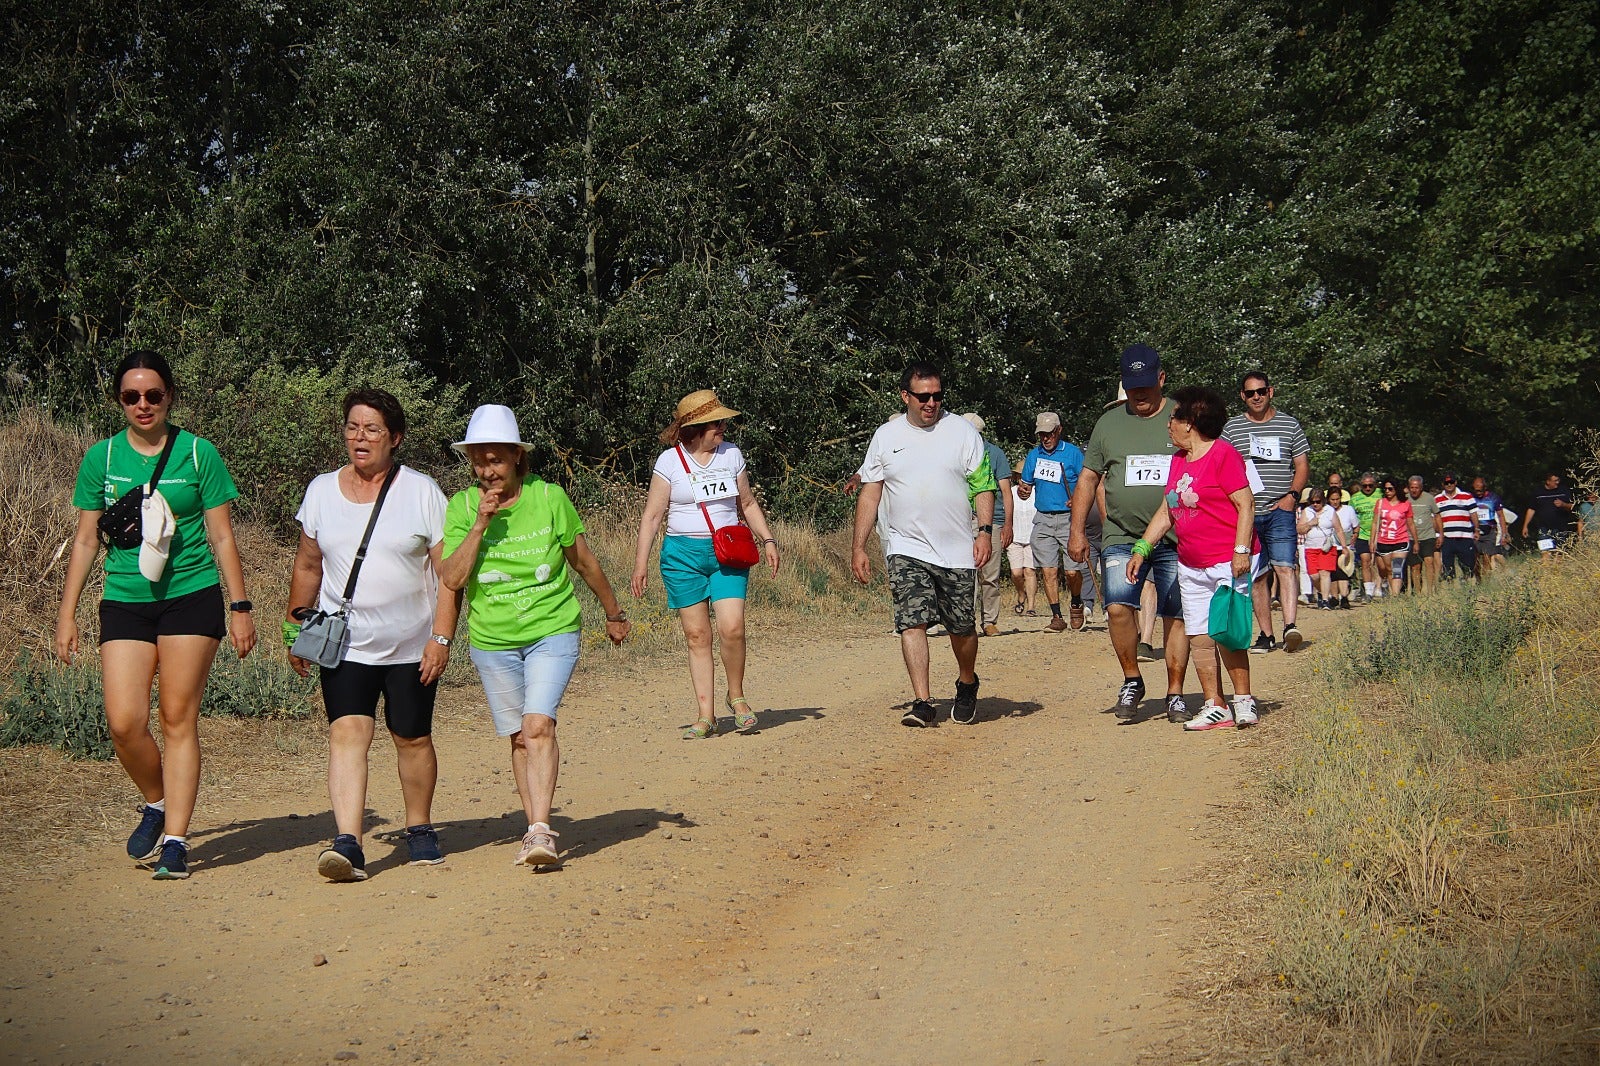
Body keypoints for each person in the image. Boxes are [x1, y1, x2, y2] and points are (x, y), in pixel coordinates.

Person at [55, 350, 256, 880]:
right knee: (124, 722)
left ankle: (176, 840)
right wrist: (66, 614)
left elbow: (221, 535)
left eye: (153, 395)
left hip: (191, 594)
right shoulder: (101, 458)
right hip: (125, 598)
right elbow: (84, 541)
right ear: (119, 401)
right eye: (131, 396)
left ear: (169, 396)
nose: (143, 405)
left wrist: (240, 607)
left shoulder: (197, 453)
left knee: (176, 717)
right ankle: (157, 800)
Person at [440, 404, 631, 866]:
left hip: (553, 627)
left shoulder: (548, 499)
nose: (488, 470)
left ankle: (542, 829)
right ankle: (533, 830)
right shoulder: (462, 507)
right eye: (479, 460)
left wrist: (613, 611)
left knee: (537, 724)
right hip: (492, 639)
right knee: (519, 739)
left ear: (516, 459)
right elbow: (451, 577)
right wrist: (481, 524)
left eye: (497, 459)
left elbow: (583, 561)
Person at [286, 389, 460, 882]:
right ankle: (348, 842)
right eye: (352, 427)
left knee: (411, 736)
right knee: (347, 731)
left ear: (395, 438)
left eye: (372, 429)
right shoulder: (320, 491)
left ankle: (420, 828)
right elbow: (308, 563)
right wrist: (294, 623)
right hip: (346, 643)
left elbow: (447, 575)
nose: (359, 437)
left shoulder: (422, 492)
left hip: (412, 645)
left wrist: (441, 638)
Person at [851, 362, 996, 727]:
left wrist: (984, 531)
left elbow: (983, 485)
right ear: (906, 396)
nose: (931, 403)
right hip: (906, 547)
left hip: (957, 549)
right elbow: (870, 493)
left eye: (937, 396)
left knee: (961, 627)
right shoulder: (886, 436)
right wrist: (859, 546)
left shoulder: (962, 433)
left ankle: (966, 682)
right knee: (911, 621)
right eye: (923, 396)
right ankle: (923, 701)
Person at [631, 389, 780, 738]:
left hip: (727, 553)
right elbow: (652, 516)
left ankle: (737, 696)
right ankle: (705, 715)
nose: (723, 428)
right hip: (682, 556)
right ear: (696, 428)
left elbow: (748, 503)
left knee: (732, 628)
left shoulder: (731, 456)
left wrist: (768, 539)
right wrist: (641, 565)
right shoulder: (669, 462)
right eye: (717, 423)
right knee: (697, 635)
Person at [1069, 344, 1191, 723]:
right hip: (1120, 533)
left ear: (1161, 379)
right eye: (1131, 386)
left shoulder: (1180, 417)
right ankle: (1132, 679)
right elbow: (1088, 479)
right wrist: (1077, 532)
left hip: (1176, 535)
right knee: (1118, 607)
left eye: (1146, 386)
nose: (1139, 394)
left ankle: (1174, 691)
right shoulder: (1108, 424)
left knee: (1177, 613)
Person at [1125, 387, 1259, 730]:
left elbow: (1246, 504)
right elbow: (1169, 508)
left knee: (1227, 629)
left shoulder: (1222, 454)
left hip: (1228, 560)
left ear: (1192, 423)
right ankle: (1215, 704)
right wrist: (1143, 547)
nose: (1168, 423)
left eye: (1174, 417)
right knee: (1199, 633)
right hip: (1191, 562)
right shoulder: (1179, 461)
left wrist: (1241, 550)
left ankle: (1243, 700)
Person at [1222, 370, 1309, 655]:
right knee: (1257, 575)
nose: (1256, 397)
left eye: (1261, 391)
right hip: (1246, 513)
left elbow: (1301, 465)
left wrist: (1292, 497)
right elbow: (1222, 464)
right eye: (1250, 393)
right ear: (1242, 396)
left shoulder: (1289, 424)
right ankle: (1265, 635)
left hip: (1279, 509)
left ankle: (1290, 627)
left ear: (1270, 391)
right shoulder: (1232, 429)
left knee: (1285, 566)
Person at [1017, 411, 1088, 632]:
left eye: (1049, 434)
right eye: (1041, 435)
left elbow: (1088, 484)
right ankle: (1057, 616)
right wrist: (1023, 492)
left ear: (1059, 431)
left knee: (1072, 571)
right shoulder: (1034, 455)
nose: (1045, 439)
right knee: (1049, 571)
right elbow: (1025, 487)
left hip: (1069, 519)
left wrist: (1076, 499)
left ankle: (1076, 601)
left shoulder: (1073, 454)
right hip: (1044, 519)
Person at [961, 413, 1015, 636]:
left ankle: (989, 620)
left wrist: (1008, 524)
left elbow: (1005, 491)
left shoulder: (995, 454)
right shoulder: (954, 452)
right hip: (962, 520)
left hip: (992, 521)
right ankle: (966, 621)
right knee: (965, 574)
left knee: (989, 574)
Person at [1298, 490, 1345, 608]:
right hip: (1310, 547)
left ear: (1323, 501)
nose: (1315, 504)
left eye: (1318, 502)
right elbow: (1299, 529)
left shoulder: (1330, 511)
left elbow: (1338, 529)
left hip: (1327, 548)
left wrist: (1344, 546)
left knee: (1325, 573)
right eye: (1312, 502)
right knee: (1314, 576)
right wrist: (1310, 523)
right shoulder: (1306, 512)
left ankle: (1325, 600)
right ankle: (1321, 592)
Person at [1371, 476, 1418, 596]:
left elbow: (1410, 523)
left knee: (1397, 569)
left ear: (1396, 489)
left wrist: (1416, 541)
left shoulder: (1405, 504)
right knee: (1388, 570)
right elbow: (1375, 523)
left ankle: (1395, 596)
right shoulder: (1380, 503)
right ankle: (1390, 591)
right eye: (1385, 489)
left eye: (1390, 489)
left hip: (1401, 541)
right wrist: (1372, 542)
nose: (1387, 491)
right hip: (1384, 541)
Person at [1006, 460, 1039, 616]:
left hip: (1033, 538)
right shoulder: (1010, 493)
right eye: (1021, 476)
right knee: (1016, 573)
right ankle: (1021, 594)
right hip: (1014, 538)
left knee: (1030, 571)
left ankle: (1031, 606)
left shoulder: (1038, 492)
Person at [1521, 473, 1575, 559]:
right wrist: (1525, 526)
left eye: (1558, 480)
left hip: (1560, 527)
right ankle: (1546, 570)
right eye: (1555, 481)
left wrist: (1563, 504)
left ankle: (1557, 571)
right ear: (1548, 481)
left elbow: (1572, 506)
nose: (1557, 483)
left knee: (1559, 553)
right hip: (1543, 528)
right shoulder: (1538, 493)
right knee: (1545, 552)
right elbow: (1531, 509)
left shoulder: (1563, 491)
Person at [1436, 473, 1479, 580]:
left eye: (1451, 482)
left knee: (1468, 567)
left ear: (1455, 482)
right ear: (1443, 484)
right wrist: (1438, 535)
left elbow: (1474, 514)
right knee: (1448, 569)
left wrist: (1477, 530)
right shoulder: (1437, 499)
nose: (1449, 485)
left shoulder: (1467, 496)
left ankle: (1467, 588)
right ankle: (1450, 591)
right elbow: (1435, 519)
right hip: (1447, 539)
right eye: (1446, 483)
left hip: (1464, 537)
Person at [1347, 472, 1382, 600]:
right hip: (1362, 534)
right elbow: (1351, 517)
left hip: (1380, 533)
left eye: (1370, 486)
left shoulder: (1381, 494)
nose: (1367, 488)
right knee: (1365, 562)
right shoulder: (1355, 498)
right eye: (1365, 486)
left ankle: (1379, 586)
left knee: (1379, 563)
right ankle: (1368, 591)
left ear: (1375, 485)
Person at [1405, 476, 1441, 594]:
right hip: (1410, 536)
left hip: (1427, 535)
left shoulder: (1429, 498)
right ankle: (1418, 592)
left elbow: (1437, 515)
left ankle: (1430, 591)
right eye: (1412, 488)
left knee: (1429, 562)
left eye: (1416, 488)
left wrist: (1441, 534)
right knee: (1415, 566)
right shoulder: (1405, 499)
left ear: (1421, 488)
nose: (1414, 490)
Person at [1326, 487, 1359, 607]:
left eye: (1337, 499)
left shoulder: (1348, 510)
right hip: (1330, 546)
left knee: (1344, 571)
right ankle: (1334, 597)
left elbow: (1356, 526)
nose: (1335, 502)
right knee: (1333, 572)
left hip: (1345, 545)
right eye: (1332, 499)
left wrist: (1354, 537)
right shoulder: (1326, 511)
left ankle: (1344, 597)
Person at [1471, 476, 1510, 577]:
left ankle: (1486, 583)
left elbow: (1501, 516)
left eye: (1480, 490)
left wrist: (1504, 534)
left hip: (1489, 532)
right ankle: (1478, 579)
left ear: (1485, 488)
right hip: (1475, 532)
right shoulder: (1470, 498)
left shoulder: (1494, 498)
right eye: (1476, 491)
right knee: (1474, 560)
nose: (1478, 493)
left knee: (1486, 558)